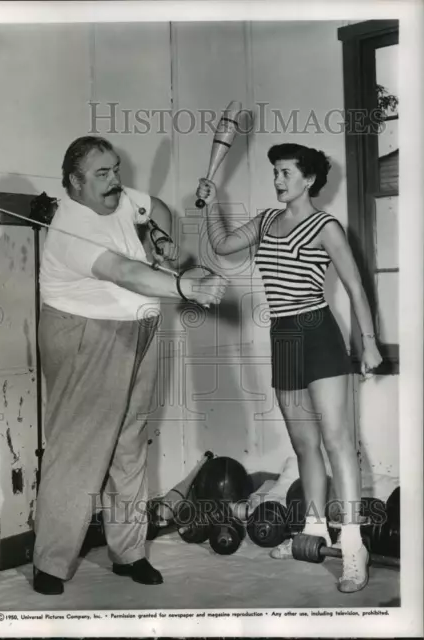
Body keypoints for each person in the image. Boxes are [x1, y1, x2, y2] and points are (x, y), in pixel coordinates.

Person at [33, 135, 227, 595]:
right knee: (79, 448)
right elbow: (125, 273)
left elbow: (156, 205)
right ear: (74, 183)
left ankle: (129, 552)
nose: (115, 181)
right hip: (87, 334)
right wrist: (186, 287)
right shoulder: (70, 229)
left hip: (137, 329)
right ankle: (51, 563)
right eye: (102, 174)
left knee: (130, 442)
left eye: (116, 169)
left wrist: (159, 237)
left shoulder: (119, 200)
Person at [196, 143, 383, 594]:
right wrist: (209, 202)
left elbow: (356, 289)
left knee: (339, 441)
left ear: (310, 180)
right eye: (275, 172)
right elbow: (222, 248)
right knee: (304, 444)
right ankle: (314, 529)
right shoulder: (265, 221)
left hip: (318, 332)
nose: (278, 179)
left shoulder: (326, 227)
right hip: (283, 336)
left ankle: (353, 544)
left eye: (285, 172)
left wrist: (370, 344)